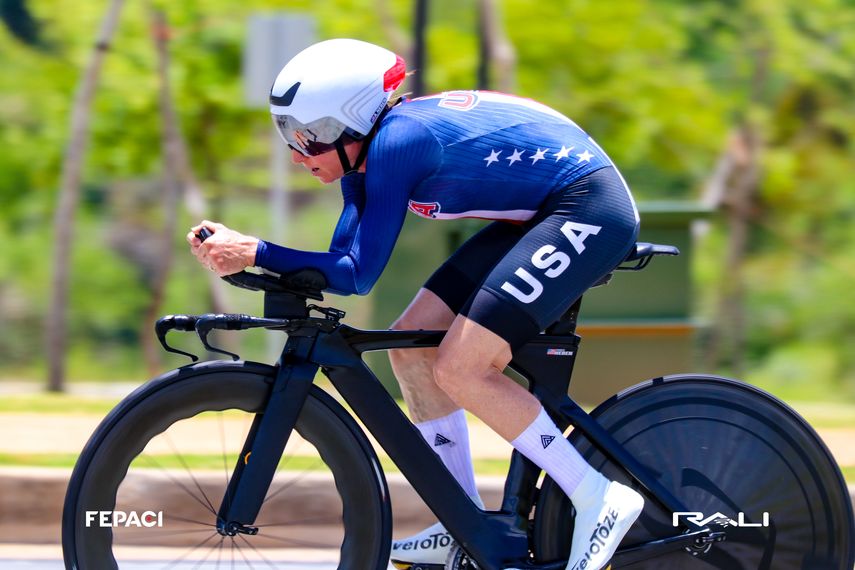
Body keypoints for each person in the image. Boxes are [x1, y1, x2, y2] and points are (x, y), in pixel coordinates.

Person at [187, 38, 644, 570]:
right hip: (540, 213)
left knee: (462, 367)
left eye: (308, 136)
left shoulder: (398, 143)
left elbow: (356, 275)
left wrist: (257, 251)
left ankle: (597, 494)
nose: (296, 153)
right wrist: (252, 257)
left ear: (351, 123)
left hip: (589, 207)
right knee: (412, 349)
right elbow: (338, 264)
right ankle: (462, 520)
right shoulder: (363, 159)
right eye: (288, 134)